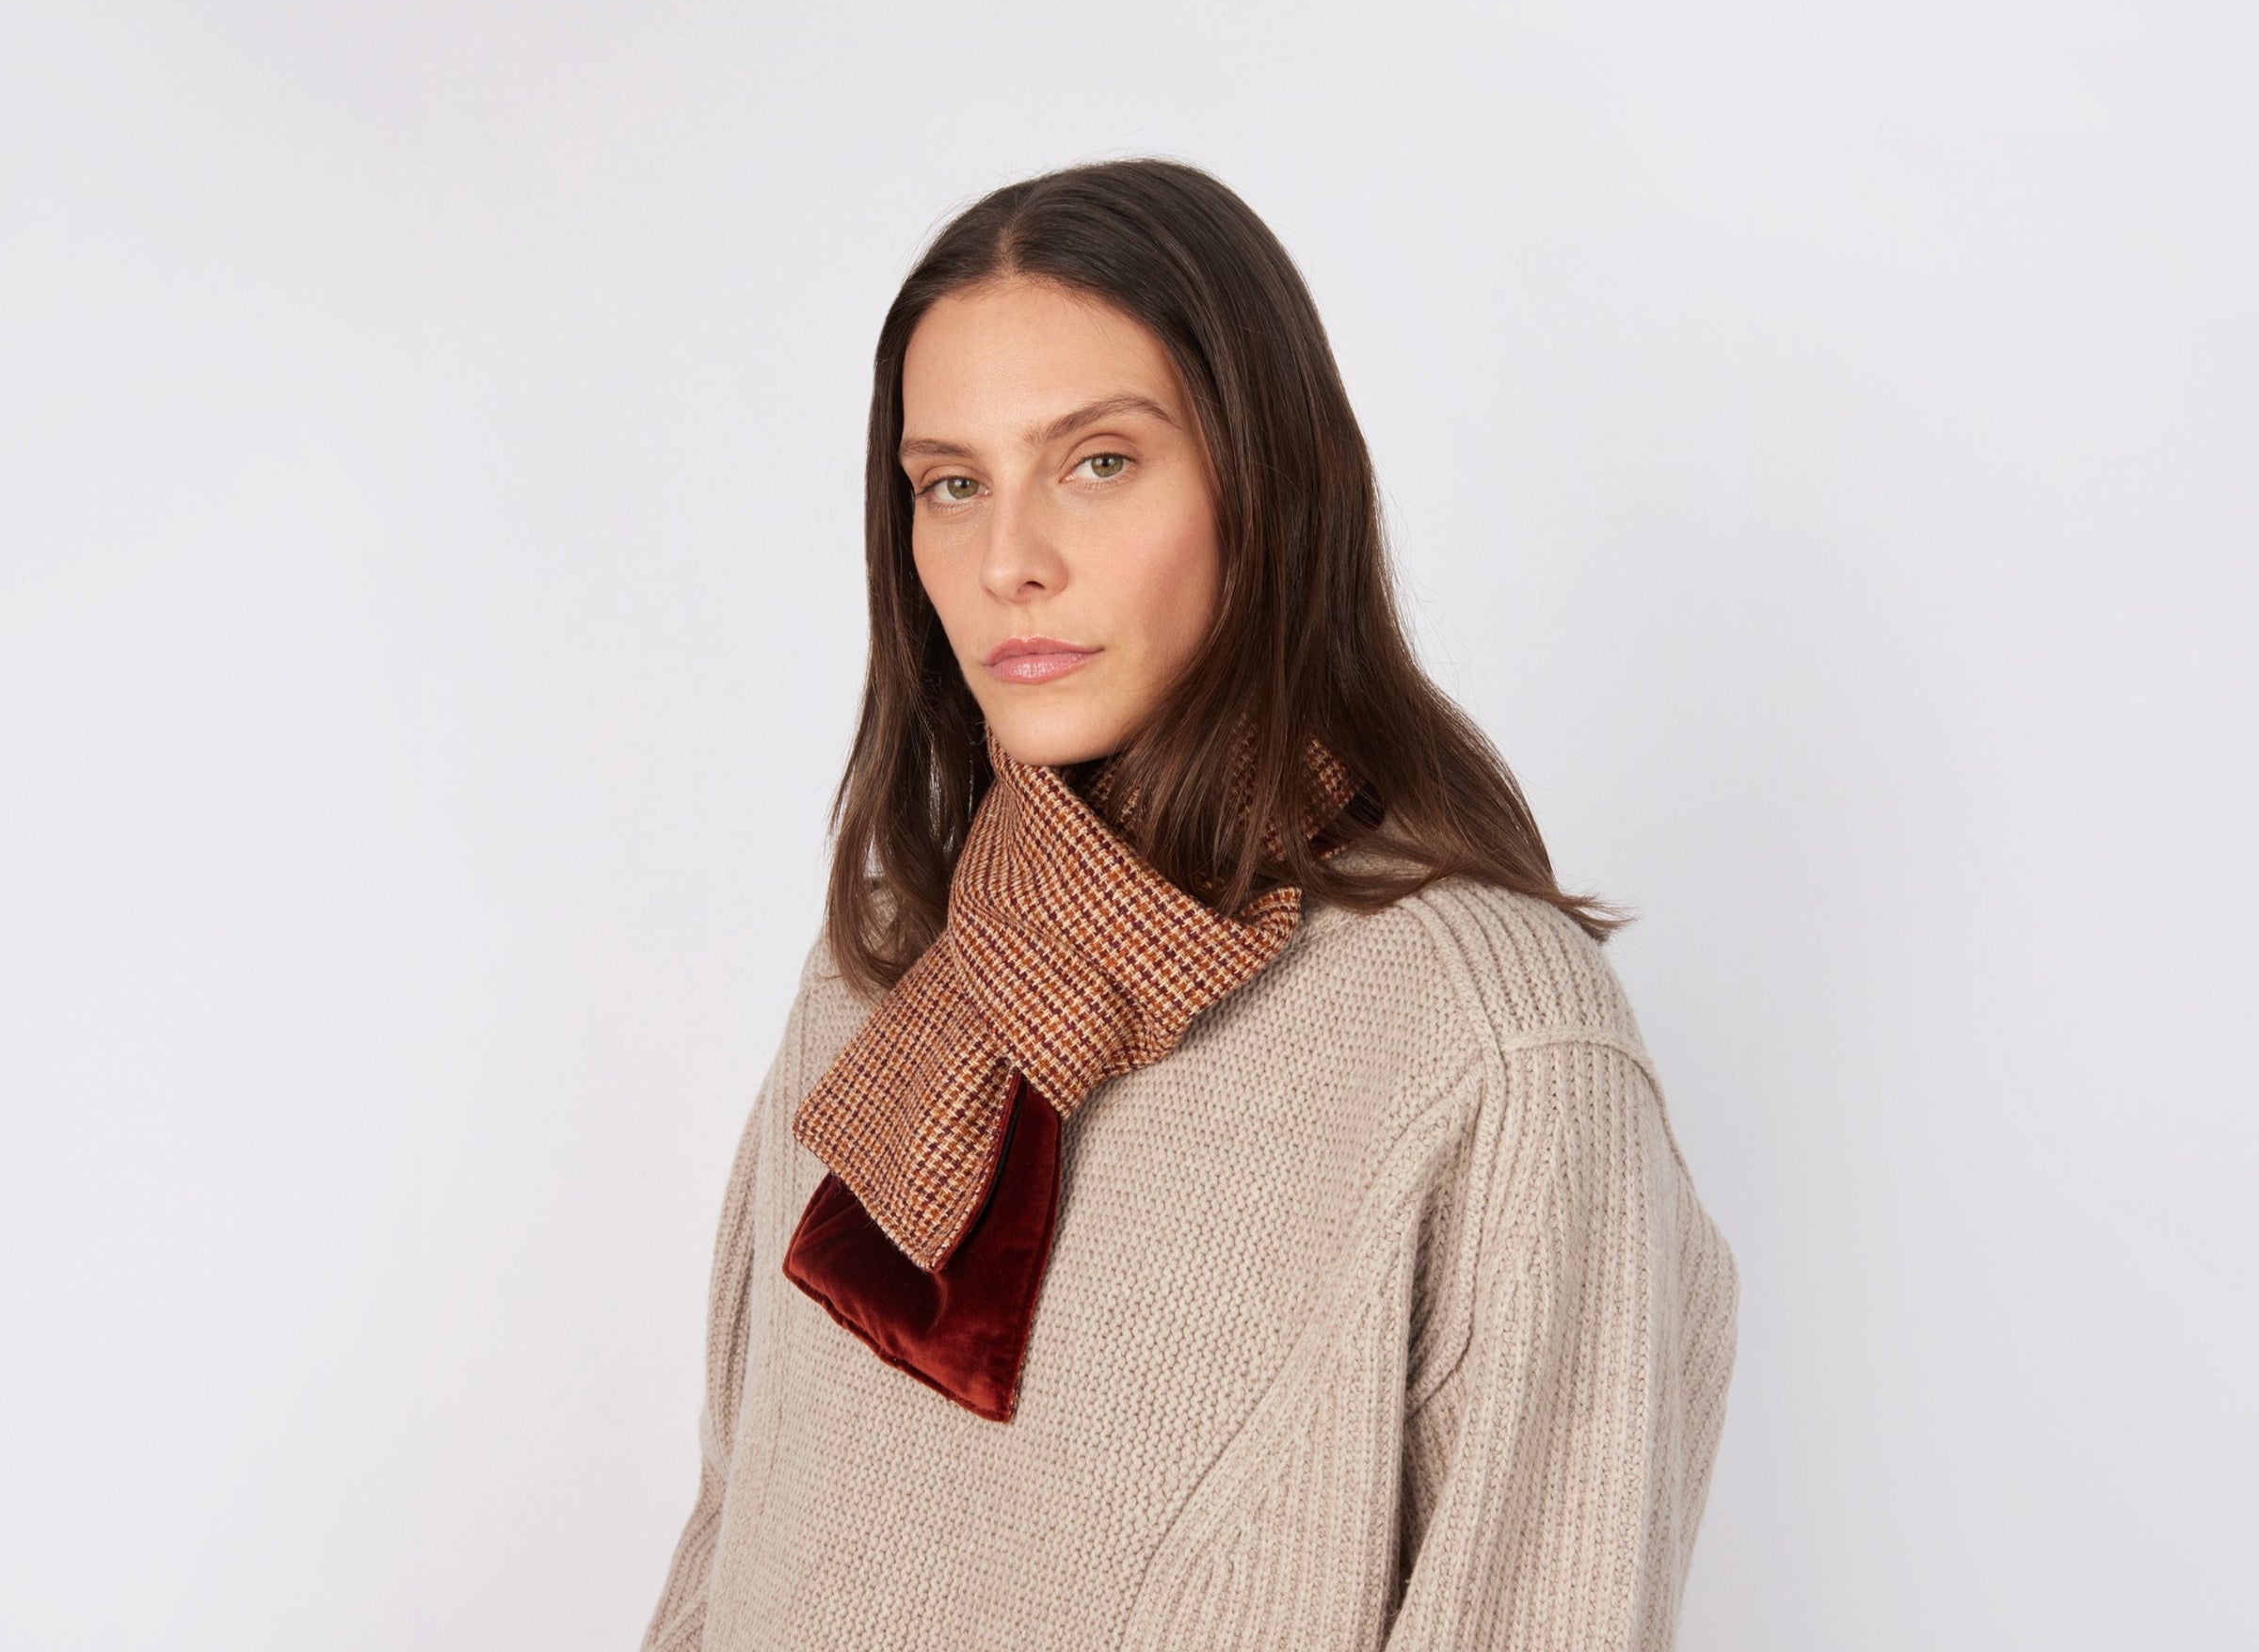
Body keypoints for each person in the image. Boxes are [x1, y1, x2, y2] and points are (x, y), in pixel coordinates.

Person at [640, 156, 1739, 1651]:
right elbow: (730, 1544)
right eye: (951, 484)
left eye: (1099, 462)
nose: (1009, 562)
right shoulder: (885, 970)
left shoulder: (1495, 1041)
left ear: (1267, 486)